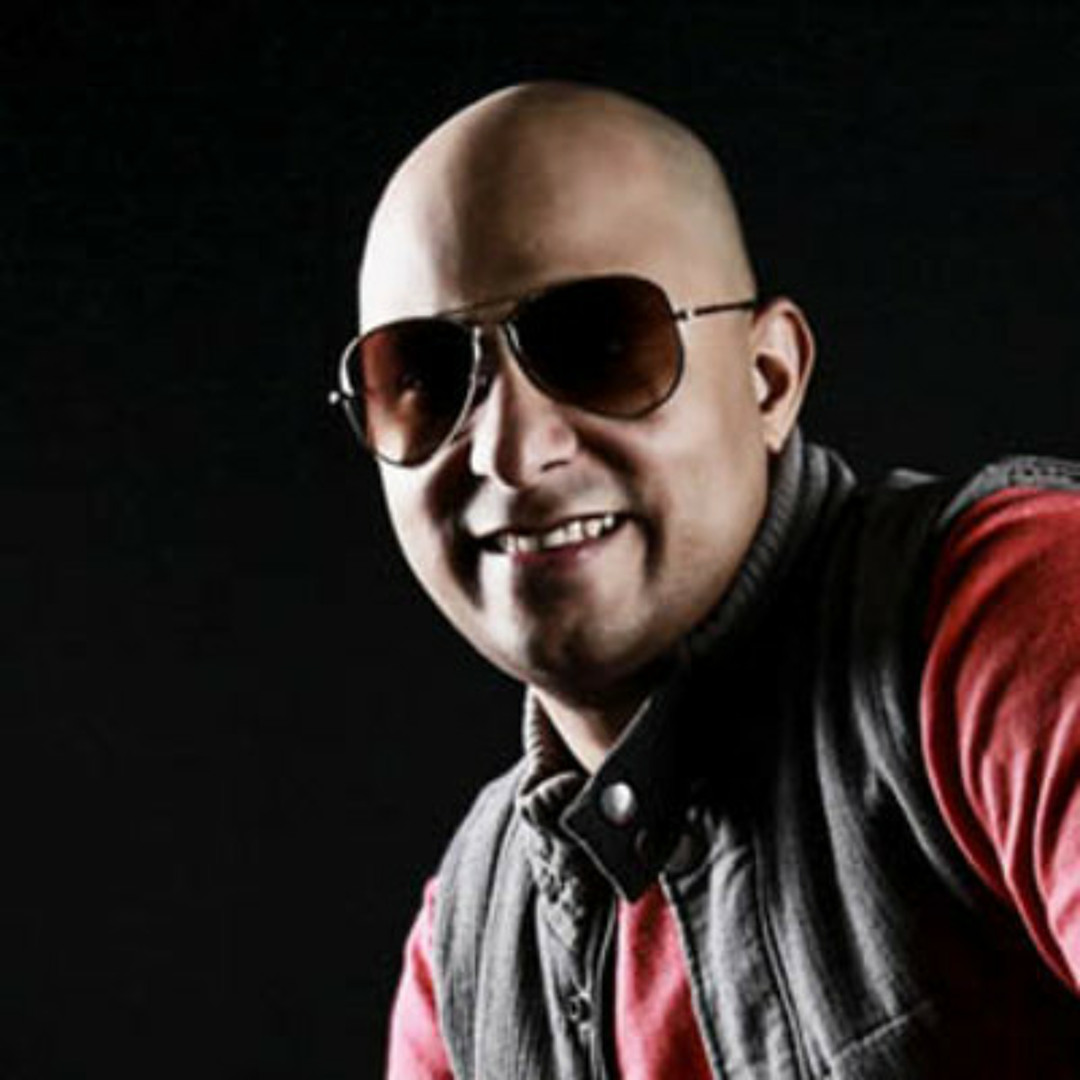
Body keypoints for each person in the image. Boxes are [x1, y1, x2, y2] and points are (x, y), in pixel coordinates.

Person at [331, 82, 1080, 1078]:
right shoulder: (465, 958)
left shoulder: (1001, 613)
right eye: (423, 379)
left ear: (770, 379)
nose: (510, 452)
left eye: (599, 344)